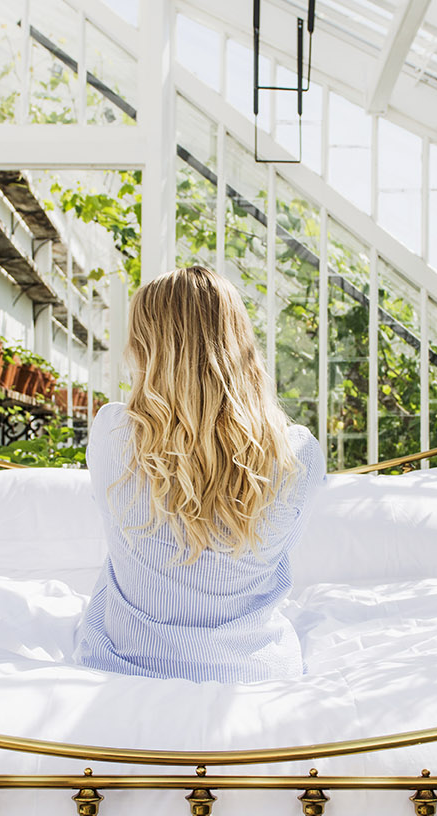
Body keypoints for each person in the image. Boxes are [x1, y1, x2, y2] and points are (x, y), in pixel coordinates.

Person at [74, 267, 326, 683]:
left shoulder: (112, 431)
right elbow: (279, 555)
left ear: (145, 348)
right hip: (257, 676)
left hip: (124, 671)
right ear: (241, 344)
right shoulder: (298, 452)